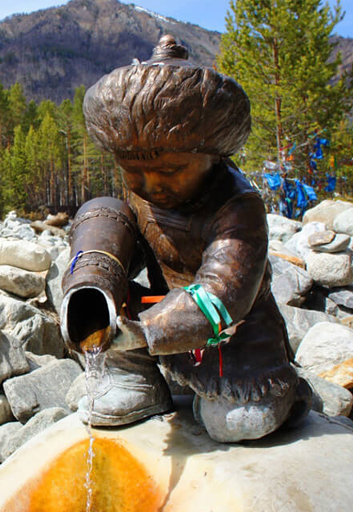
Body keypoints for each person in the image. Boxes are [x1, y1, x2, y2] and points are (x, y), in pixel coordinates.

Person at [62, 35, 309, 443]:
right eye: (133, 172)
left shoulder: (237, 207)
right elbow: (125, 254)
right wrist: (93, 283)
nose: (151, 185)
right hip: (156, 317)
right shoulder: (142, 200)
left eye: (171, 170)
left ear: (214, 155)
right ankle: (137, 382)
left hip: (235, 336)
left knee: (232, 422)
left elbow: (224, 292)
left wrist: (146, 330)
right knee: (101, 219)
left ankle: (280, 393)